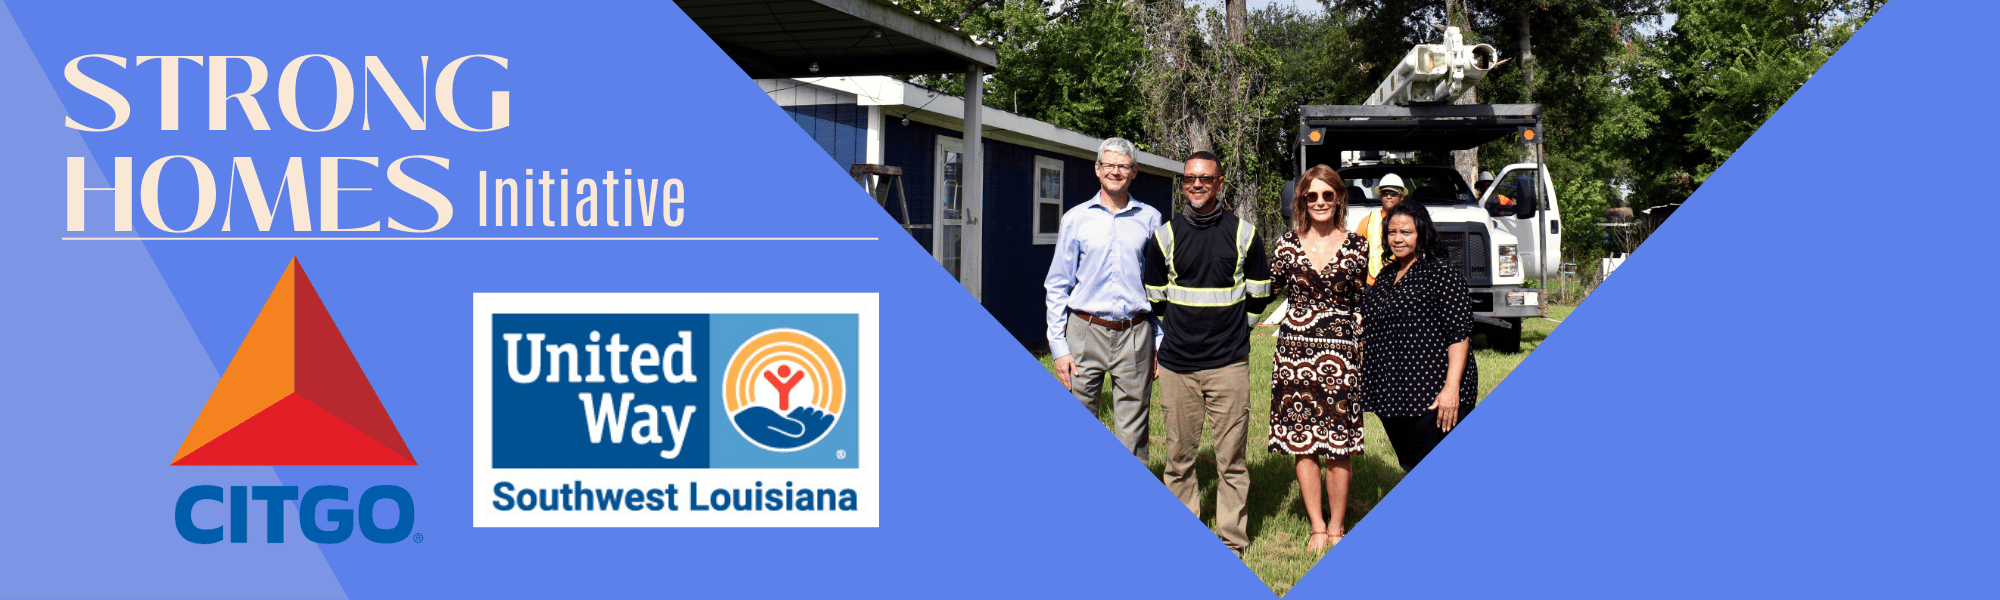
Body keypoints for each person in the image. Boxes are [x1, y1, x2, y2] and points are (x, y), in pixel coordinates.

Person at [1143, 150, 1272, 558]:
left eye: (1205, 178)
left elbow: (1259, 297)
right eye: (1189, 179)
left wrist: (1233, 332)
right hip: (1179, 364)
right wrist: (1180, 334)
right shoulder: (1164, 236)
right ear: (1183, 184)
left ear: (1219, 183)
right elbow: (1157, 299)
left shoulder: (1244, 234)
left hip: (1228, 364)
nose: (1196, 184)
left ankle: (1232, 539)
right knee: (1179, 457)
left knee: (1231, 458)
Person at [1267, 164, 1368, 553]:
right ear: (1302, 201)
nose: (1321, 202)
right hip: (1294, 355)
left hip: (1342, 355)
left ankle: (1338, 528)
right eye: (1312, 196)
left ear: (1340, 197)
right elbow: (1264, 293)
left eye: (1328, 194)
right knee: (1303, 441)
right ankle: (1317, 527)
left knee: (1339, 444)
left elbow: (1366, 303)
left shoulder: (1359, 246)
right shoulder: (1285, 246)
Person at [1044, 137, 1165, 462]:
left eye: (1123, 166)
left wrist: (1159, 339)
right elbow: (1057, 285)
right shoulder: (1075, 219)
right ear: (1097, 170)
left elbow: (1159, 284)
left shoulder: (1151, 219)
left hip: (1136, 334)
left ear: (1134, 171)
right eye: (1109, 165)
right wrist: (1059, 347)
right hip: (1084, 332)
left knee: (1133, 435)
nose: (1115, 171)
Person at [1360, 200, 1479, 473]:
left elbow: (1459, 335)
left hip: (1433, 394)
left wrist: (1451, 389)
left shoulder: (1441, 274)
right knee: (1409, 464)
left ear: (1421, 233)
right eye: (1392, 232)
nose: (1397, 239)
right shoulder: (1385, 277)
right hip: (1392, 395)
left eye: (1406, 232)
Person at [1354, 173, 1407, 286]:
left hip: (1403, 283)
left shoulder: (1411, 221)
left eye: (1393, 193)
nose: (1388, 196)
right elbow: (1357, 254)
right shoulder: (1367, 221)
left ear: (1401, 197)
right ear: (1380, 196)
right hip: (1373, 284)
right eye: (1384, 193)